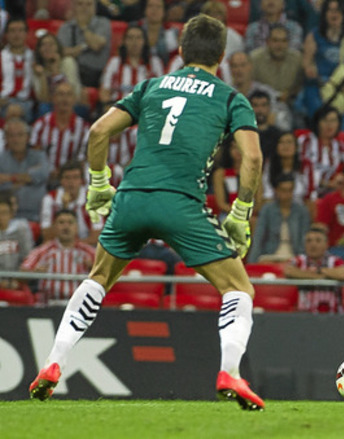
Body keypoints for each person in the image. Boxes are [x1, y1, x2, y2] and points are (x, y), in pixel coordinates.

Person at [28, 15, 266, 410]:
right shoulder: (229, 98)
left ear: (181, 51)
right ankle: (230, 372)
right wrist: (241, 212)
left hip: (132, 198)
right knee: (238, 288)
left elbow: (98, 131)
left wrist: (99, 184)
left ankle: (53, 362)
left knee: (98, 278)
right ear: (222, 55)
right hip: (181, 203)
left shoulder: (152, 86)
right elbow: (253, 158)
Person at [21, 209, 96, 304]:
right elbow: (21, 274)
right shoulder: (41, 251)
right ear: (54, 227)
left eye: (70, 223)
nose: (66, 227)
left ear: (77, 227)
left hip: (80, 305)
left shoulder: (89, 252)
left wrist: (94, 269)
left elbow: (106, 276)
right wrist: (34, 273)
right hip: (48, 305)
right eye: (61, 222)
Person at [30, 81, 90, 182]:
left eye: (69, 94)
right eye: (60, 94)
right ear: (53, 98)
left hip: (72, 178)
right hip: (44, 176)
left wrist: (64, 173)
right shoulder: (41, 125)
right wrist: (49, 171)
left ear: (74, 99)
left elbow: (83, 158)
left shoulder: (84, 128)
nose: (64, 99)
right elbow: (35, 155)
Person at [283, 226, 344, 313]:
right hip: (304, 315)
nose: (313, 244)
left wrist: (318, 271)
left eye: (318, 241)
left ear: (326, 244)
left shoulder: (335, 260)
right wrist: (321, 276)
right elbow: (288, 271)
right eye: (309, 241)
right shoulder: (298, 260)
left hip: (332, 315)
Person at [248, 173, 310, 263]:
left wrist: (302, 259)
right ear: (276, 190)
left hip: (294, 256)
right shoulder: (267, 210)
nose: (287, 194)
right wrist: (252, 263)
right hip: (270, 255)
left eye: (290, 190)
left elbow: (304, 239)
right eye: (284, 190)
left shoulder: (302, 211)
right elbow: (259, 237)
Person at [99, 24, 165, 106]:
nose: (134, 42)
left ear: (144, 41)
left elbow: (161, 92)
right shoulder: (114, 62)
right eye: (130, 38)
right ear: (124, 41)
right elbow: (104, 92)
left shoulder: (155, 63)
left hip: (146, 109)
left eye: (138, 38)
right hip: (119, 108)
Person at [40, 161, 102, 246]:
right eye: (67, 178)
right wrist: (64, 208)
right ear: (61, 181)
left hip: (86, 245)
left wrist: (72, 247)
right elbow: (47, 236)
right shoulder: (50, 199)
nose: (71, 182)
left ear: (82, 181)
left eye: (75, 177)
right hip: (58, 247)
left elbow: (96, 237)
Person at [0, 118, 51, 222]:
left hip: (38, 216)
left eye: (20, 135)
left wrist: (10, 178)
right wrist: (28, 178)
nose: (15, 139)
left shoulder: (39, 156)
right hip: (7, 219)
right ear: (6, 138)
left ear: (27, 137)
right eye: (11, 135)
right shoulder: (1, 158)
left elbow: (43, 174)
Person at [57, 0, 112, 87]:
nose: (84, 8)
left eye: (89, 4)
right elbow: (61, 52)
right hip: (73, 72)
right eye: (80, 4)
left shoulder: (103, 23)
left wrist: (83, 27)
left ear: (95, 7)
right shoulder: (66, 26)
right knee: (68, 62)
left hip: (96, 74)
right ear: (74, 7)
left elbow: (96, 45)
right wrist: (83, 47)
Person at [249, 25, 304, 106]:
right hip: (261, 104)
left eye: (283, 41)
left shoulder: (298, 59)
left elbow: (301, 84)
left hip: (290, 103)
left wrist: (290, 93)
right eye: (275, 40)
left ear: (288, 43)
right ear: (268, 42)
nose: (279, 45)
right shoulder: (254, 59)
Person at [31, 32, 83, 116]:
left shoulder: (68, 62)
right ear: (39, 50)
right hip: (49, 106)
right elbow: (43, 99)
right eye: (43, 45)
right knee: (43, 108)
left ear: (58, 48)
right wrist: (42, 76)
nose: (47, 48)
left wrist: (55, 70)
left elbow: (69, 94)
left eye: (51, 44)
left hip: (72, 105)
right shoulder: (37, 68)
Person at [0, 18, 34, 120]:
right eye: (12, 31)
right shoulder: (1, 57)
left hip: (26, 102)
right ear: (6, 35)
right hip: (3, 101)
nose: (16, 35)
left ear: (26, 34)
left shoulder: (35, 57)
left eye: (20, 30)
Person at [0, 195, 34, 290]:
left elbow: (28, 258)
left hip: (18, 281)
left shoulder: (21, 232)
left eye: (4, 213)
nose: (0, 217)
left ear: (11, 214)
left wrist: (18, 279)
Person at [138, 0, 180, 66]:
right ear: (144, 10)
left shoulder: (172, 32)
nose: (154, 9)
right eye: (150, 6)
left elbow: (176, 59)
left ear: (164, 11)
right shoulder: (135, 29)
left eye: (158, 7)